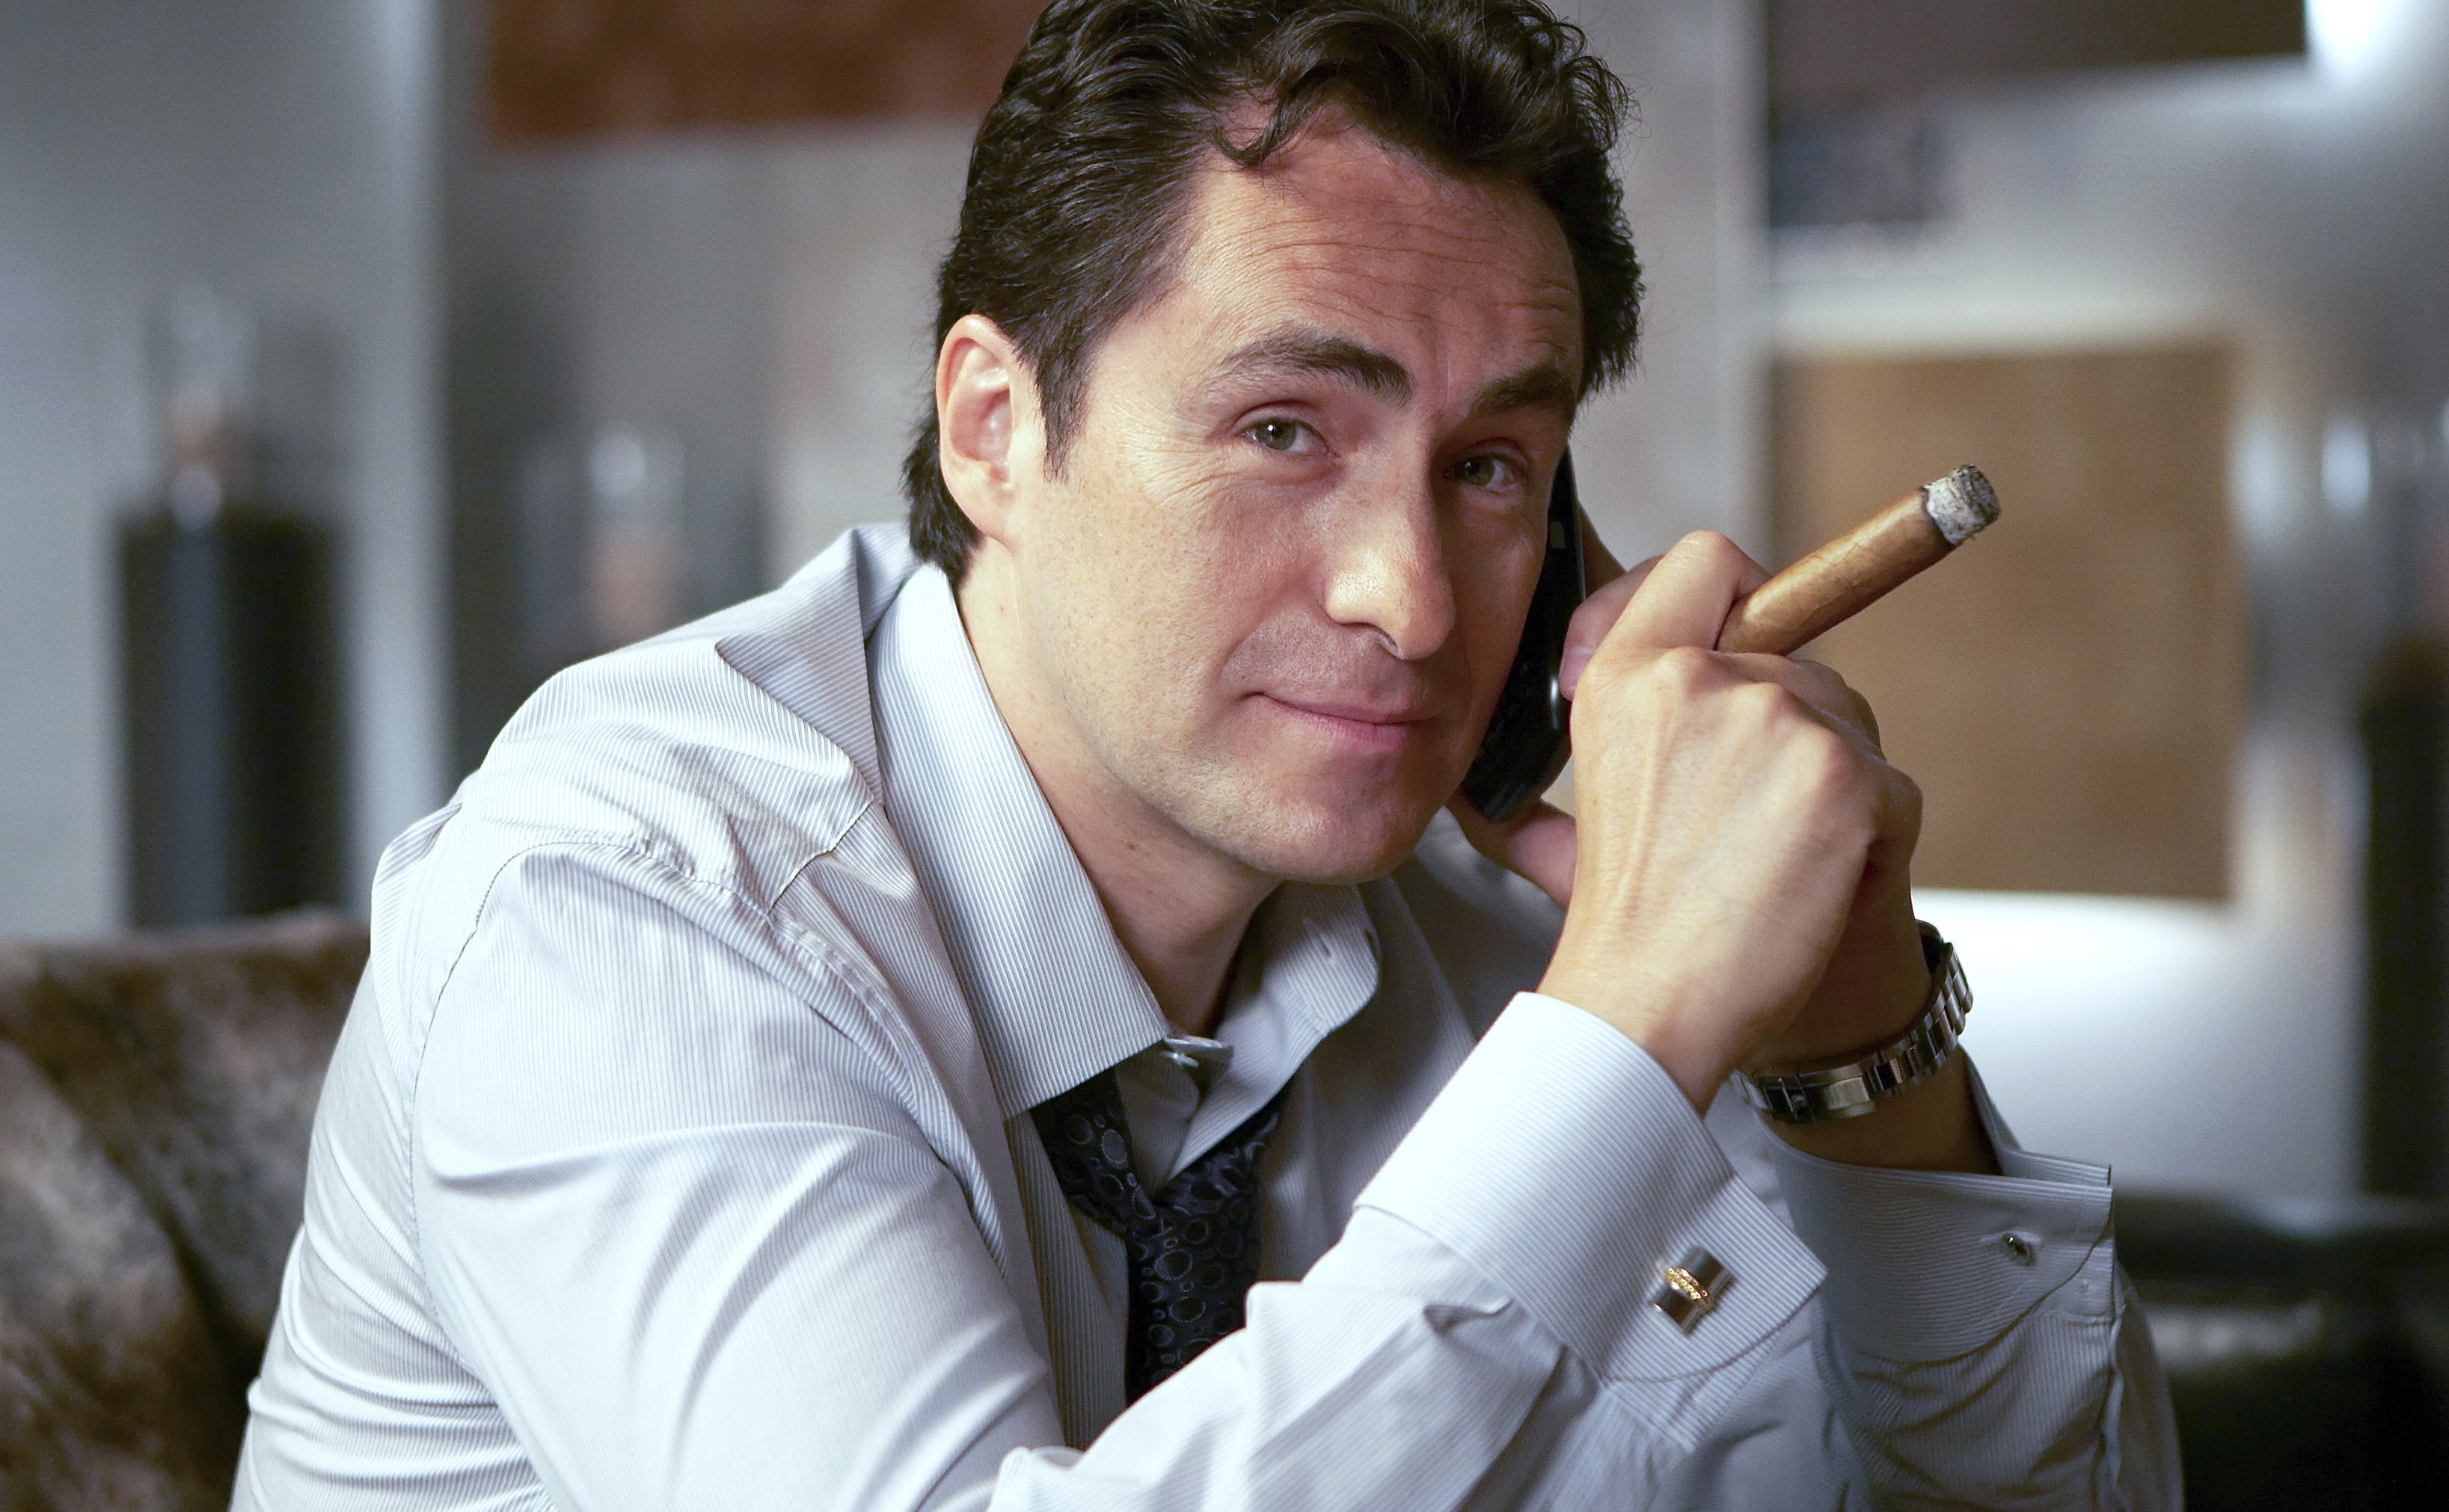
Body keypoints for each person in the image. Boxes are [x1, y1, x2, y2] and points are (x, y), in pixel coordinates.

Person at [234, 1, 2179, 1506]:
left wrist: (1856, 1032)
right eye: (1283, 431)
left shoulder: (1477, 937)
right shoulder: (618, 915)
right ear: (996, 430)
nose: (1413, 602)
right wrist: (1630, 1029)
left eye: (1490, 467)